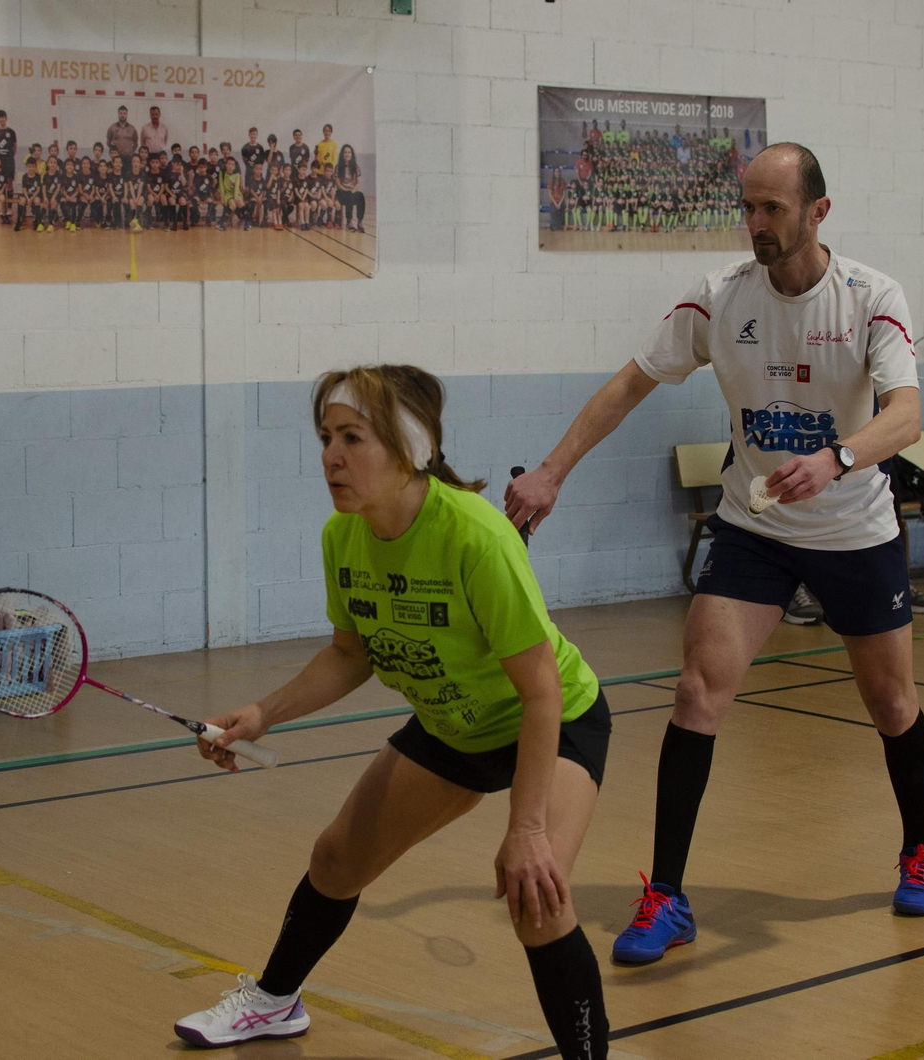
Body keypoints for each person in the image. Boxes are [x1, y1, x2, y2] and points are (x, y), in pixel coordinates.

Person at [505, 143, 924, 968]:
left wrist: (838, 459)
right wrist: (555, 471)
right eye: (748, 207)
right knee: (697, 691)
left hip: (853, 528)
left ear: (818, 212)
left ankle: (919, 848)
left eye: (773, 209)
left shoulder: (870, 298)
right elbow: (631, 383)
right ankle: (667, 895)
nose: (755, 225)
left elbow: (908, 416)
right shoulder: (720, 300)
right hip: (757, 525)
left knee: (891, 705)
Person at [173, 366, 611, 1058]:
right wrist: (264, 712)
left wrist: (526, 828)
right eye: (325, 438)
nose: (331, 457)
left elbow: (540, 692)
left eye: (352, 437)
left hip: (547, 723)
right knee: (337, 857)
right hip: (449, 726)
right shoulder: (342, 539)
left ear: (411, 447)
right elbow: (352, 655)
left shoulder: (477, 538)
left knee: (538, 898)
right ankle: (273, 1001)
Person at [335, 144, 365, 233]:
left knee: (360, 196)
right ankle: (349, 222)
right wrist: (346, 190)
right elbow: (337, 183)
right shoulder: (338, 166)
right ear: (342, 154)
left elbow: (358, 183)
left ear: (351, 155)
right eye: (345, 152)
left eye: (349, 152)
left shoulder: (355, 167)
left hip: (351, 191)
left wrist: (353, 190)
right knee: (349, 196)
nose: (347, 154)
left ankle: (360, 221)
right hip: (341, 192)